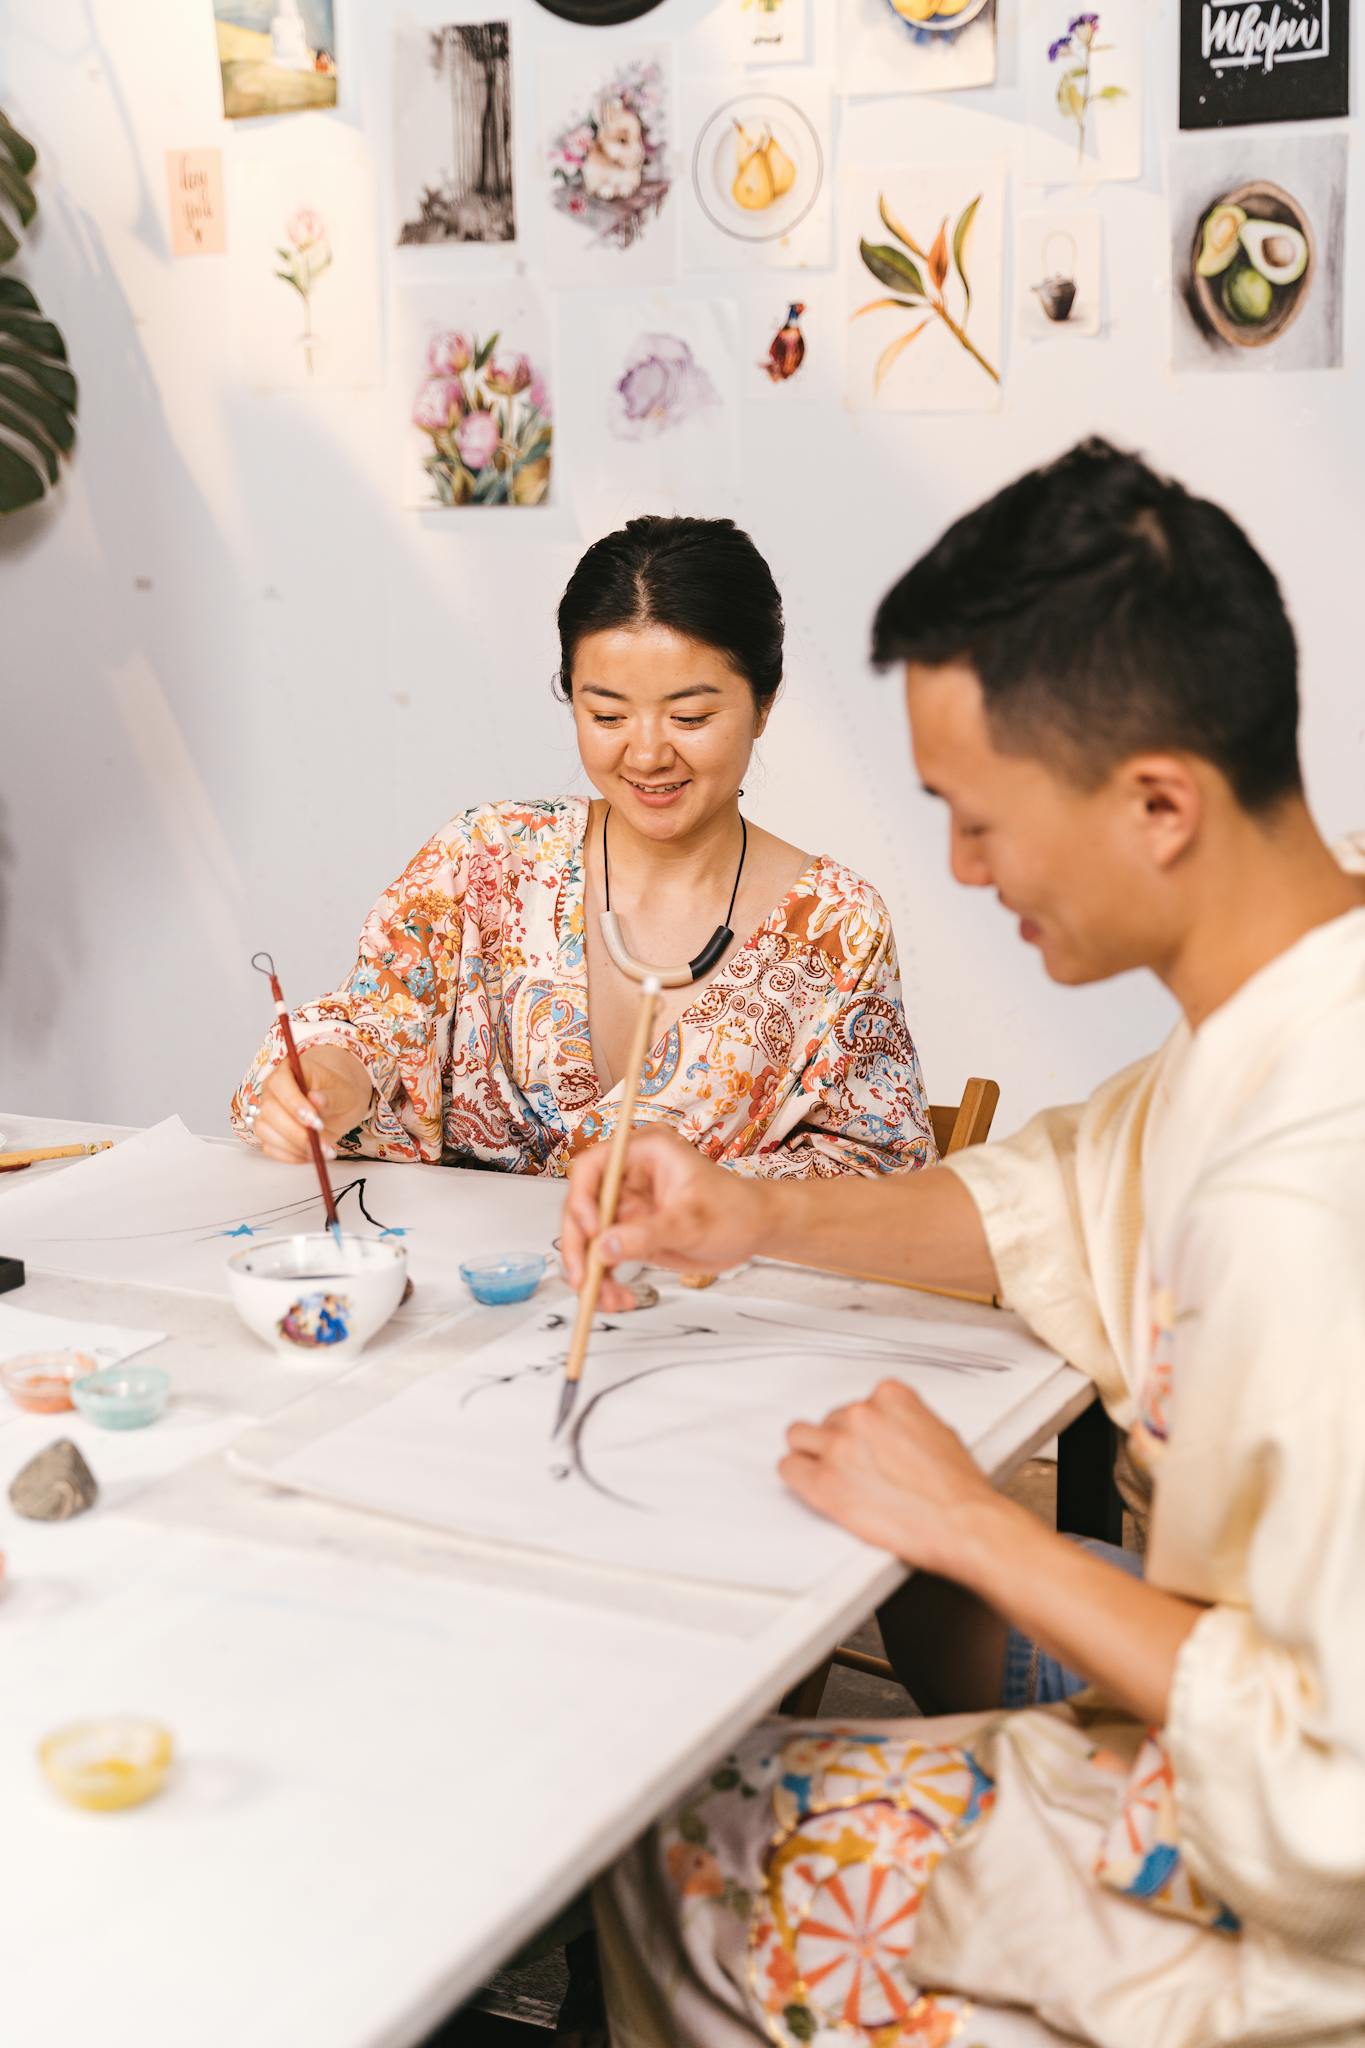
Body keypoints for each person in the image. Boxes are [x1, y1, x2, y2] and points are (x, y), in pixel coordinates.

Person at [561, 441, 1365, 2047]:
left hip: (1289, 1914)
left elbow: (1332, 1798)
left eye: (980, 821)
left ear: (1158, 805)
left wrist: (980, 1532)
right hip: (1219, 1711)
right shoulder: (1283, 1012)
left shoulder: (1306, 1202)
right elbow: (1044, 1197)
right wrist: (752, 1212)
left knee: (662, 1837)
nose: (963, 872)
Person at [232, 516, 934, 1182]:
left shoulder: (836, 927)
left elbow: (880, 1165)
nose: (649, 752)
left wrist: (716, 1192)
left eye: (690, 716)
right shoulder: (486, 859)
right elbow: (376, 1023)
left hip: (694, 1302)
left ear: (765, 703)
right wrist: (332, 1080)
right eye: (606, 714)